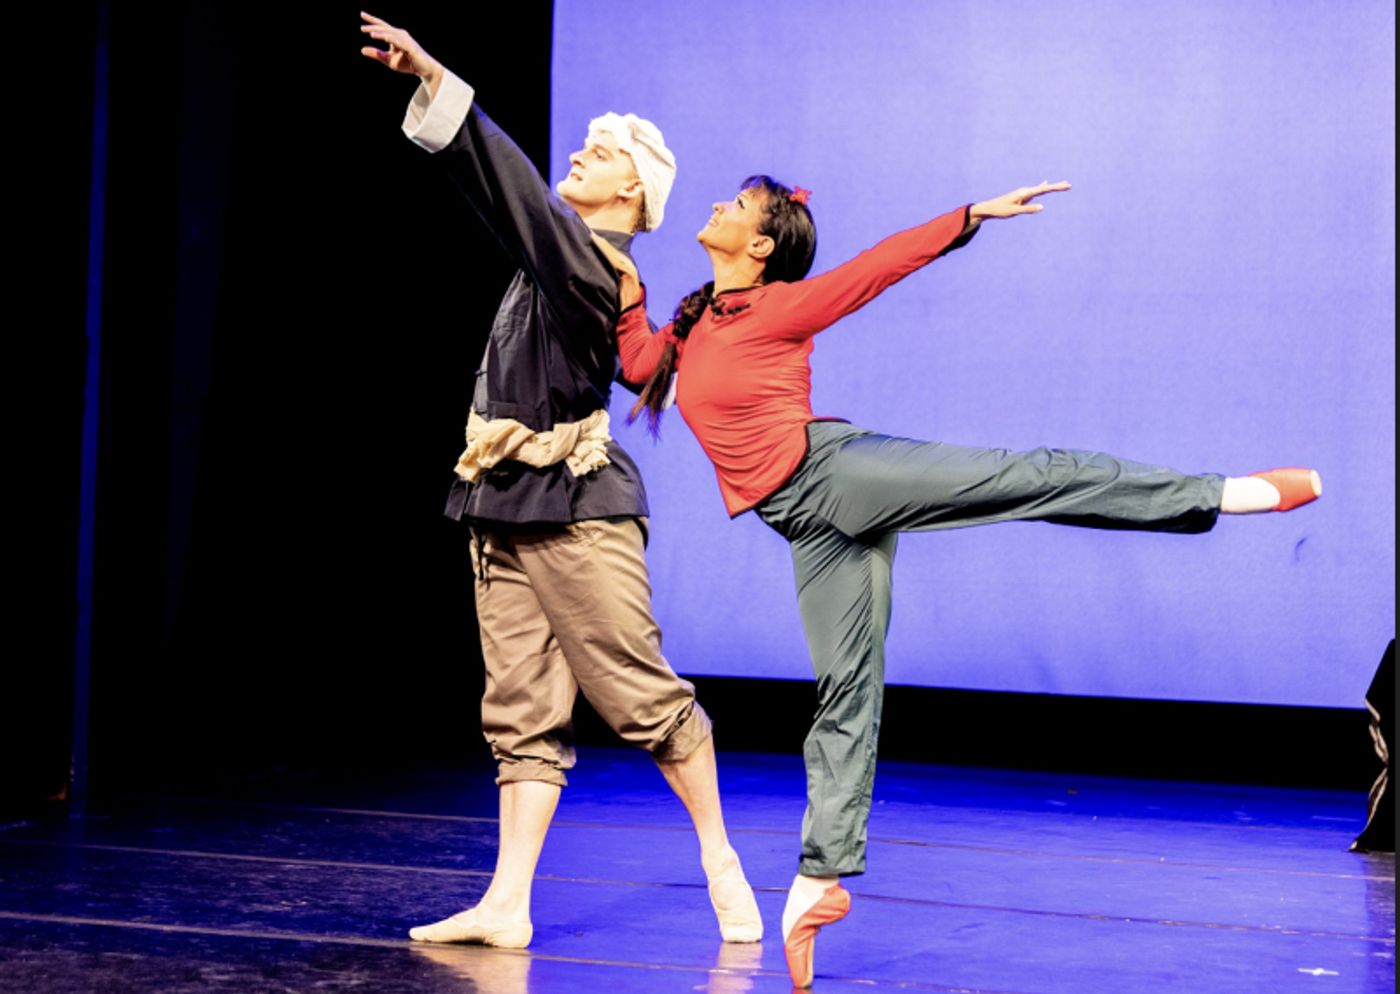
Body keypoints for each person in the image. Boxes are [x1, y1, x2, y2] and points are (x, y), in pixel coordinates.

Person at [614, 175, 1321, 986]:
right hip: (803, 521)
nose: (717, 208)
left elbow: (875, 268)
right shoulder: (698, 320)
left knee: (1029, 476)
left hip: (837, 475)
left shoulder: (781, 306)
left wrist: (966, 220)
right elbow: (639, 366)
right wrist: (625, 277)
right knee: (846, 690)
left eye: (737, 207)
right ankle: (818, 878)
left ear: (763, 246)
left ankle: (1224, 494)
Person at [358, 13, 762, 948]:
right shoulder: (552, 258)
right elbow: (500, 198)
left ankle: (719, 859)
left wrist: (437, 76)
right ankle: (508, 903)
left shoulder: (590, 261)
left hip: (578, 507)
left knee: (639, 692)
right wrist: (433, 95)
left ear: (635, 189)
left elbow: (512, 196)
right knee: (520, 707)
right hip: (502, 497)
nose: (582, 154)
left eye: (603, 152)